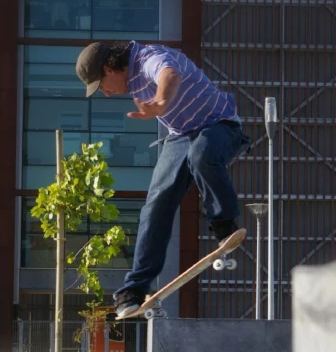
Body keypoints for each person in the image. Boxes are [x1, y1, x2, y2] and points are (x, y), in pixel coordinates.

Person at [75, 40, 250, 319]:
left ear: (110, 68)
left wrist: (162, 101)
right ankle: (134, 288)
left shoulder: (148, 58)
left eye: (101, 85)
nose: (105, 94)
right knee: (156, 204)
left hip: (220, 126)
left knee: (201, 155)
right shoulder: (130, 80)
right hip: (182, 135)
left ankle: (223, 223)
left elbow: (169, 73)